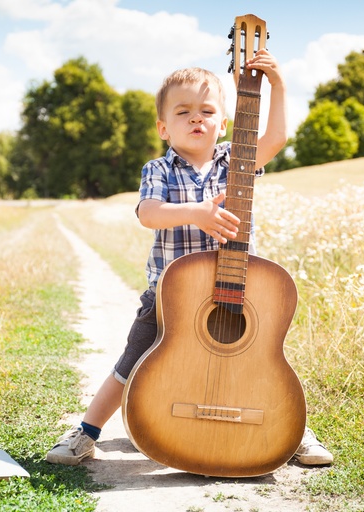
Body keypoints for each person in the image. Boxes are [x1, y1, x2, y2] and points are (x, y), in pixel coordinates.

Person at [46, 49, 333, 468]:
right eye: (183, 112)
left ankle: (293, 435)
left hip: (234, 293)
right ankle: (86, 432)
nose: (196, 118)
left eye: (206, 110)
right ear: (164, 127)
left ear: (223, 123)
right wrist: (197, 212)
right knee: (131, 366)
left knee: (259, 365)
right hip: (170, 297)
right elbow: (148, 213)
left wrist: (278, 85)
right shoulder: (159, 170)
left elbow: (276, 139)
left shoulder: (237, 161)